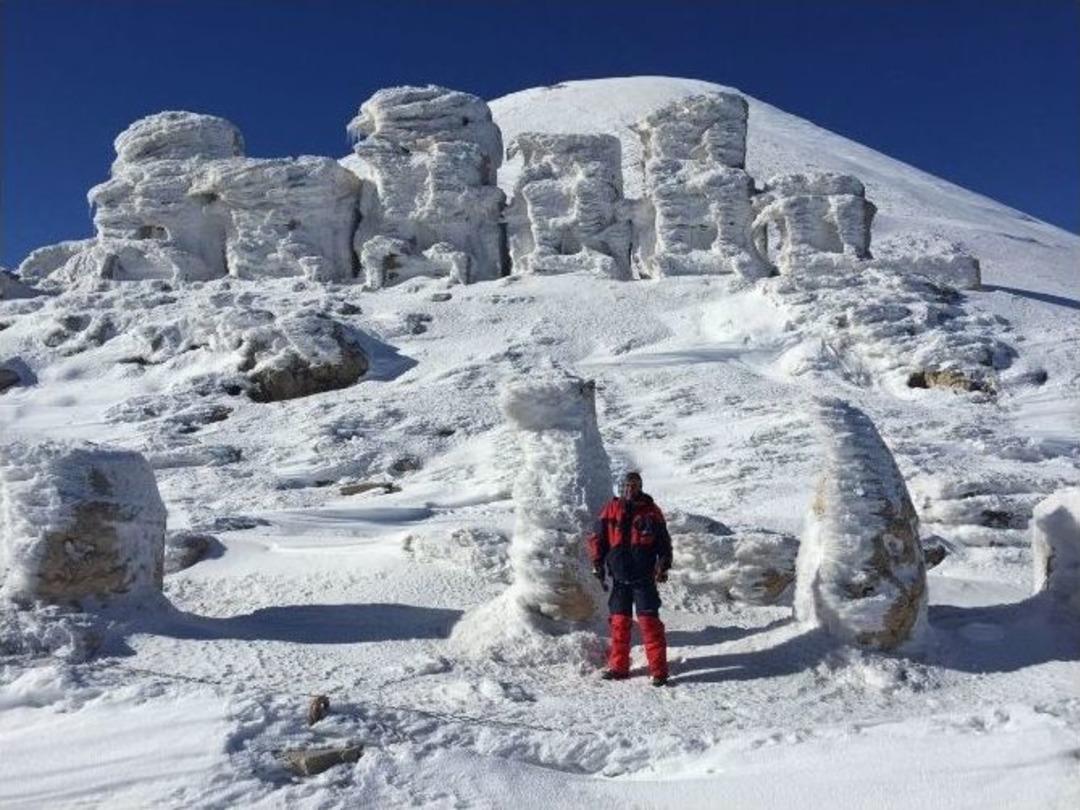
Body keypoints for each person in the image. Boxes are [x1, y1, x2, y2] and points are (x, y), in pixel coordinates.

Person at [586, 471, 672, 686]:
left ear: (640, 486)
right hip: (620, 580)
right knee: (619, 624)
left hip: (644, 579)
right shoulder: (610, 509)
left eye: (634, 485)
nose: (630, 489)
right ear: (620, 487)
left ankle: (659, 671)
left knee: (650, 624)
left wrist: (663, 565)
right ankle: (618, 668)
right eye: (626, 485)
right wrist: (597, 563)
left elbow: (664, 543)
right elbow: (598, 539)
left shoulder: (652, 512)